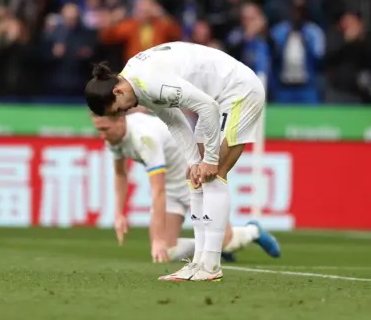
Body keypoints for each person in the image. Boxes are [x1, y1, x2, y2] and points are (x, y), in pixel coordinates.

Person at [85, 41, 278, 282]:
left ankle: (211, 266)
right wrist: (194, 161)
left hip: (239, 91)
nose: (122, 115)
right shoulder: (136, 87)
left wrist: (207, 159)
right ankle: (197, 263)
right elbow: (174, 121)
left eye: (117, 111)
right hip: (216, 100)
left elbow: (208, 107)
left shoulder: (152, 83)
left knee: (214, 174)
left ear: (117, 92)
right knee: (195, 177)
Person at [92, 111, 280, 274]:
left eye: (105, 129)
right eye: (99, 129)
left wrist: (157, 238)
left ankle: (252, 231)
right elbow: (120, 173)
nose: (102, 135)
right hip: (172, 187)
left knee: (226, 242)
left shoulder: (144, 139)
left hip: (193, 178)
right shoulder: (114, 137)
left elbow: (158, 190)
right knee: (165, 252)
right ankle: (212, 247)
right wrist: (119, 214)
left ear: (121, 121)